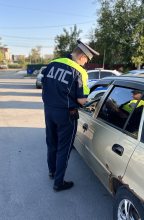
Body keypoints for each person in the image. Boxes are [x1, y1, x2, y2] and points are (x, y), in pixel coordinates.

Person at [41, 40, 99, 192]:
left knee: (52, 143)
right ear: (81, 57)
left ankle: (52, 171)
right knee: (64, 148)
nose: (85, 64)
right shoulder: (79, 71)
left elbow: (43, 83)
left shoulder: (53, 63)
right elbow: (82, 100)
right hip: (66, 114)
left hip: (48, 110)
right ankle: (59, 183)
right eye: (86, 60)